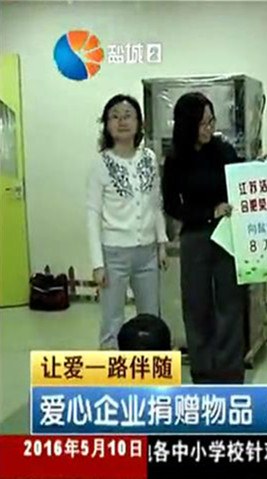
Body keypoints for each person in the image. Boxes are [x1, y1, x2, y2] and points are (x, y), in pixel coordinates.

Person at [161, 92, 247, 384]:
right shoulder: (176, 159)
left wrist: (260, 170)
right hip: (195, 237)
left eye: (212, 121)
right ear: (188, 125)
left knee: (230, 303)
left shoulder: (223, 151)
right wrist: (208, 212)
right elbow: (172, 205)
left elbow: (241, 178)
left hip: (227, 236)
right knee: (197, 305)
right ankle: (203, 370)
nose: (209, 128)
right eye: (202, 124)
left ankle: (230, 371)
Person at [87, 94, 168, 350]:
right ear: (107, 125)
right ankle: (111, 366)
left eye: (128, 116)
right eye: (115, 117)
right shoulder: (101, 164)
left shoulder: (149, 158)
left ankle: (151, 367)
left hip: (147, 252)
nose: (122, 121)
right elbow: (92, 214)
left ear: (139, 122)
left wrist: (162, 242)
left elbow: (156, 203)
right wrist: (97, 264)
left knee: (151, 317)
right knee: (112, 319)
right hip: (114, 254)